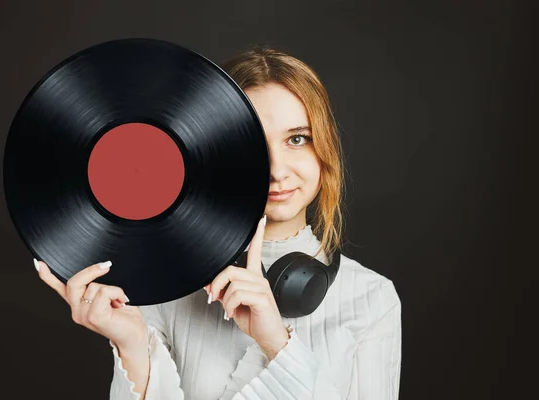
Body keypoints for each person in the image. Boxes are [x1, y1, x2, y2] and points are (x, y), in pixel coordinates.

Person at [34, 47, 402, 399]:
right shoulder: (167, 288)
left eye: (297, 139)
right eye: (254, 143)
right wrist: (131, 347)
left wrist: (276, 341)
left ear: (325, 150)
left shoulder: (371, 299)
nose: (275, 171)